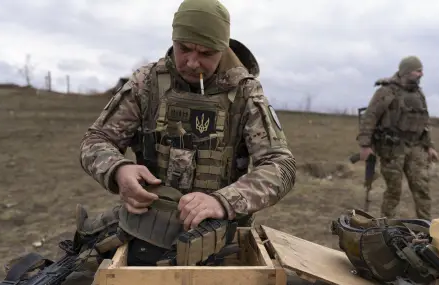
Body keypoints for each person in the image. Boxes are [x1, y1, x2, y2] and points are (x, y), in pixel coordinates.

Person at [62, 0, 297, 283]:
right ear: (173, 40)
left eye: (206, 53)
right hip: (145, 230)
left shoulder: (245, 93)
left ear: (223, 49)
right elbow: (96, 140)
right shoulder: (146, 83)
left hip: (221, 240)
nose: (192, 62)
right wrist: (118, 170)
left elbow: (281, 165)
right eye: (184, 48)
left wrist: (223, 201)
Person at [357, 55, 439, 221]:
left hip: (415, 147)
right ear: (406, 72)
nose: (421, 74)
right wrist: (365, 145)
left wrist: (429, 146)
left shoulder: (418, 94)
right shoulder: (386, 91)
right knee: (394, 191)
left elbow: (424, 121)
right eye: (418, 71)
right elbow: (370, 118)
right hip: (392, 149)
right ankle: (386, 227)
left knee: (422, 188)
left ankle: (427, 227)